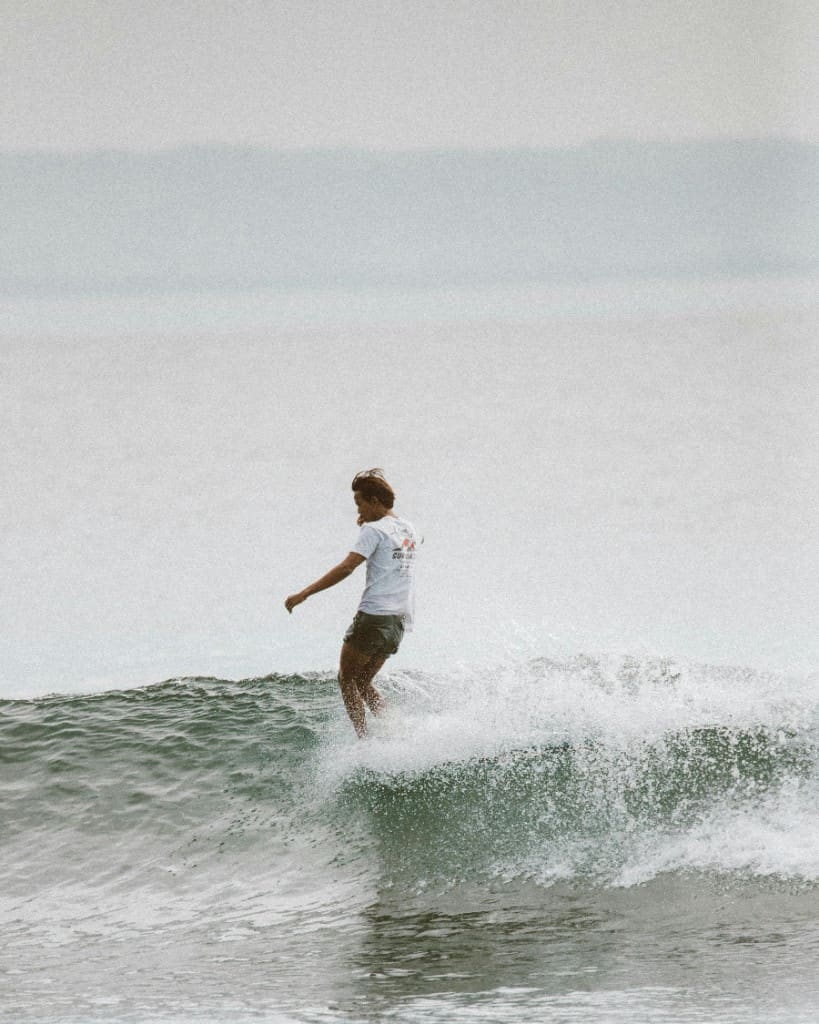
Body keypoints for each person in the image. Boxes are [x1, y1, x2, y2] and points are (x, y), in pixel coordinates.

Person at [285, 469, 419, 737]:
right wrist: (370, 522)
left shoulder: (373, 529)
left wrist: (305, 593)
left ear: (374, 500)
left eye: (359, 503)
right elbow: (400, 545)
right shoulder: (409, 528)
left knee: (347, 680)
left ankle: (364, 739)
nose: (358, 510)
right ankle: (393, 730)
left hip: (374, 616)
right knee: (363, 681)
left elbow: (347, 567)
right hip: (399, 621)